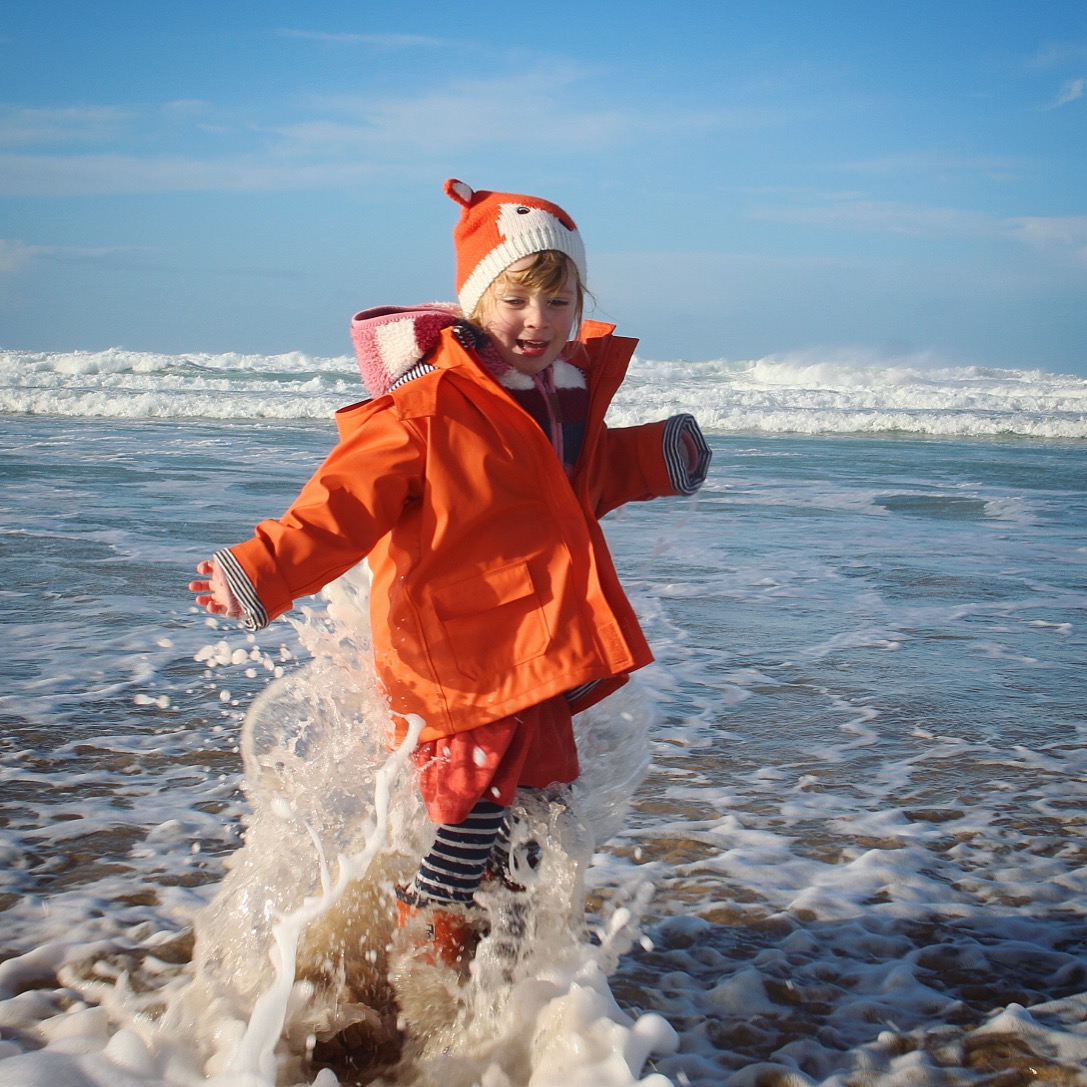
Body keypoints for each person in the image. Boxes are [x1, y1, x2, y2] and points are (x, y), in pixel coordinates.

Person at [190, 178, 711, 969]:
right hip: (460, 646)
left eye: (558, 300)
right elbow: (341, 504)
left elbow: (581, 485)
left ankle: (497, 969)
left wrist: (653, 456)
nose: (537, 321)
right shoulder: (426, 407)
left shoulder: (564, 399)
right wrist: (261, 568)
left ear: (579, 300)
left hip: (534, 647)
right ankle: (416, 940)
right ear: (474, 301)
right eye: (516, 301)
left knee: (537, 811)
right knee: (471, 810)